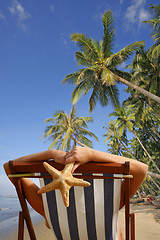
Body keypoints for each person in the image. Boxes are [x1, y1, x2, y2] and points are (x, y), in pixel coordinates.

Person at [4, 146, 148, 240]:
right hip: (106, 228)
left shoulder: (48, 208)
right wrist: (93, 154)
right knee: (114, 223)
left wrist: (51, 154)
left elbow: (9, 168)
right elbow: (141, 169)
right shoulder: (109, 204)